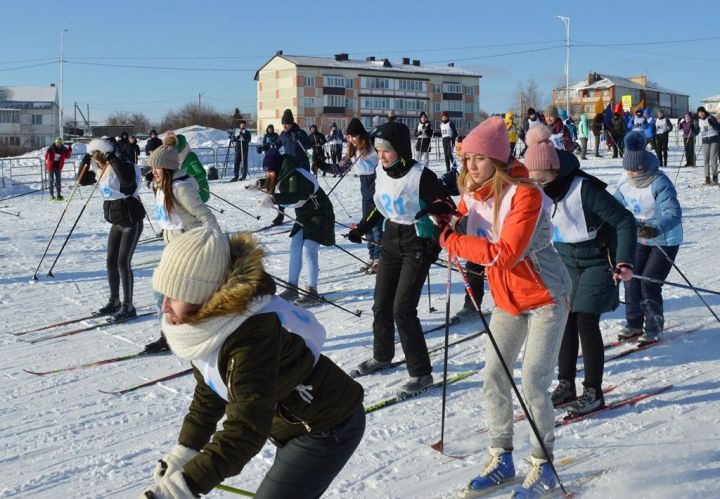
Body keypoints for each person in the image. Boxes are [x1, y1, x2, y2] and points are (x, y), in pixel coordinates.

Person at [140, 227, 365, 499]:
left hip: (327, 425)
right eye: (164, 294)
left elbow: (245, 429)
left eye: (175, 296)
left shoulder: (250, 335)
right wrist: (185, 451)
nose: (165, 307)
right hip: (291, 422)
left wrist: (181, 488)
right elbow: (211, 389)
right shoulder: (208, 325)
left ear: (204, 295)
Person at [434, 117, 571, 498]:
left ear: (497, 159)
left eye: (478, 159)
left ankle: (542, 465)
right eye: (466, 159)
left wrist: (451, 241)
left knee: (533, 382)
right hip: (507, 299)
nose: (470, 166)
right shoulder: (475, 192)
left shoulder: (524, 195)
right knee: (493, 374)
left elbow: (505, 253)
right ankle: (502, 457)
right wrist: (443, 216)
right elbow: (460, 220)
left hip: (545, 296)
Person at [523, 124, 636, 416]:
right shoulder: (534, 192)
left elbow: (624, 221)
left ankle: (593, 391)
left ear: (555, 171)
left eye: (541, 177)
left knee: (585, 319)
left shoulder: (584, 188)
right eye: (531, 178)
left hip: (599, 259)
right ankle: (566, 384)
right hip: (564, 260)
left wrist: (623, 260)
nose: (536, 183)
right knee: (565, 319)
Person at [346, 121, 453, 397]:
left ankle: (421, 373)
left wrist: (434, 245)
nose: (381, 156)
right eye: (379, 150)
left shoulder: (421, 176)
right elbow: (379, 208)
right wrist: (361, 227)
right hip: (391, 238)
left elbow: (446, 210)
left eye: (387, 151)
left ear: (402, 150)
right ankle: (382, 356)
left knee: (402, 309)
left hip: (417, 240)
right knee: (381, 304)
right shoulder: (381, 172)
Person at [143, 143, 220, 354]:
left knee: (166, 293)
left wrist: (218, 244)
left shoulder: (182, 188)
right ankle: (173, 334)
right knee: (171, 294)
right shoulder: (163, 186)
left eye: (156, 168)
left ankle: (176, 336)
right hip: (173, 247)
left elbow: (206, 216)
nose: (152, 172)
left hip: (189, 247)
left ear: (166, 168)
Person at [614, 131, 683, 344]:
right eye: (629, 169)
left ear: (644, 167)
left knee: (650, 283)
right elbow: (614, 206)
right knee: (631, 278)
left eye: (636, 170)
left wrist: (654, 229)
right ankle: (634, 323)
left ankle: (653, 327)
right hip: (639, 237)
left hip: (664, 238)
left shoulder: (659, 182)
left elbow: (673, 213)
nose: (632, 173)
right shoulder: (625, 181)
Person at [257, 151, 335, 306]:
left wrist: (273, 199)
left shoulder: (295, 175)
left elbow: (295, 196)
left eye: (270, 170)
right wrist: (260, 183)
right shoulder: (286, 172)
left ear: (278, 167)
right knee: (295, 248)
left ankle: (312, 291)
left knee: (309, 249)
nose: (268, 173)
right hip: (304, 215)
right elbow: (275, 179)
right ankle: (292, 288)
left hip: (319, 214)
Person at [87, 138, 146, 322]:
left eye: (98, 161)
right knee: (111, 260)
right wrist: (85, 160)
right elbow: (82, 181)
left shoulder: (124, 166)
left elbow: (127, 181)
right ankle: (114, 301)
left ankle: (128, 306)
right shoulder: (102, 171)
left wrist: (112, 158)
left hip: (131, 221)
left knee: (123, 262)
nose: (96, 165)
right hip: (117, 221)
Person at [346, 117, 381, 274]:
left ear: (360, 135)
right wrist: (323, 165)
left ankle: (379, 258)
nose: (351, 139)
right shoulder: (353, 149)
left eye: (353, 136)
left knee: (375, 224)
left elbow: (382, 162)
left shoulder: (371, 146)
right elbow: (341, 166)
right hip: (363, 186)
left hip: (375, 183)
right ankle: (371, 255)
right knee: (366, 223)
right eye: (349, 136)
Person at [163, 132, 210, 203]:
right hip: (188, 192)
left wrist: (189, 181)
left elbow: (202, 173)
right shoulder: (177, 160)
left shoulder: (190, 156)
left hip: (200, 190)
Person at [696, 106, 720, 184]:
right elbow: (696, 132)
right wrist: (693, 128)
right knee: (706, 159)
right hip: (705, 140)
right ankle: (707, 178)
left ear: (704, 112)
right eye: (699, 113)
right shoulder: (698, 121)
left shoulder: (711, 118)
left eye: (702, 112)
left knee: (713, 158)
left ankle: (715, 177)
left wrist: (713, 124)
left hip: (714, 139)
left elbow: (718, 128)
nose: (701, 114)